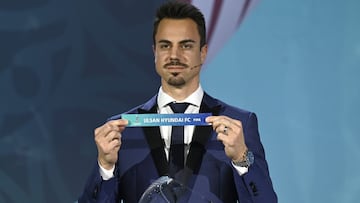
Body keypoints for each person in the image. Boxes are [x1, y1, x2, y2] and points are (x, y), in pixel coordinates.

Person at [78, 1, 277, 202]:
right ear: (155, 52)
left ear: (203, 52)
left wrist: (242, 159)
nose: (174, 55)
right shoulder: (122, 130)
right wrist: (105, 167)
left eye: (186, 45)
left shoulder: (239, 124)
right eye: (165, 46)